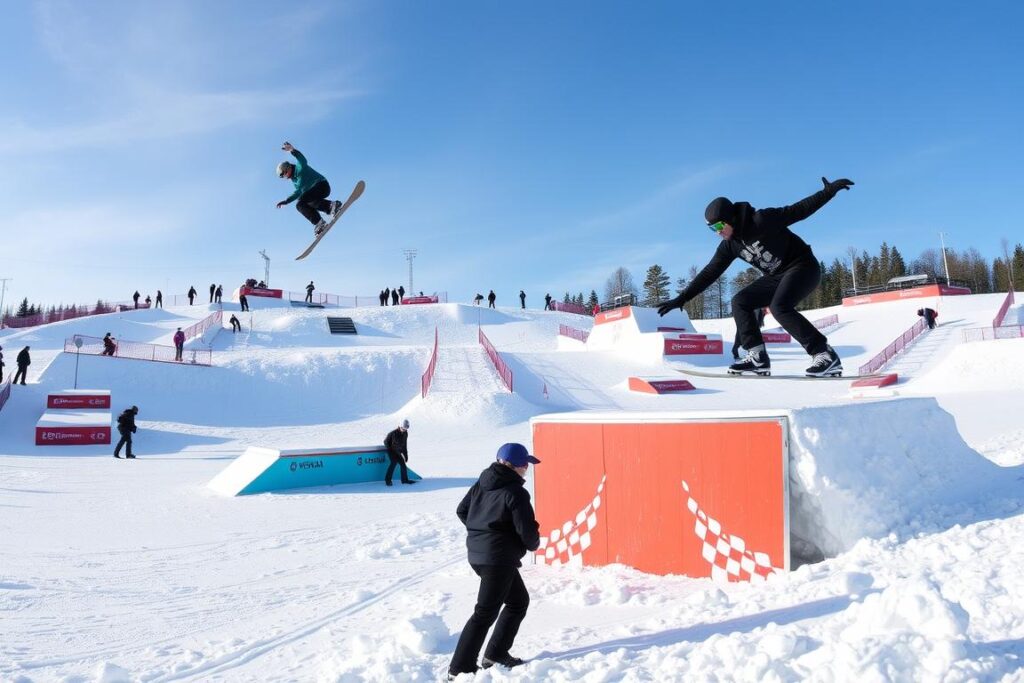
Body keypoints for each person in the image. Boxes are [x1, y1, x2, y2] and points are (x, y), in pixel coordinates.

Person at [658, 177, 854, 377]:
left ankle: (824, 354)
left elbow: (798, 210)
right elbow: (710, 272)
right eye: (712, 229)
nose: (717, 233)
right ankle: (757, 356)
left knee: (779, 307)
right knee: (741, 301)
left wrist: (828, 192)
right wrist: (683, 298)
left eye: (718, 226)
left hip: (803, 267)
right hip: (776, 275)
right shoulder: (730, 246)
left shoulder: (762, 220)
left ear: (730, 219)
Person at [448, 443, 541, 678]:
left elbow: (462, 511)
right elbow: (528, 533)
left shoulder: (482, 482)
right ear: (518, 466)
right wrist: (526, 543)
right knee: (484, 613)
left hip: (481, 555)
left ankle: (496, 654)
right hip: (498, 559)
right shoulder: (515, 492)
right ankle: (459, 669)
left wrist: (482, 533)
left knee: (518, 601)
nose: (527, 469)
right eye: (526, 464)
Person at [275, 141, 343, 236]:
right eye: (283, 177)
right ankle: (320, 222)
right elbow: (298, 192)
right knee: (300, 204)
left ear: (288, 168)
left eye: (284, 174)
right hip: (313, 193)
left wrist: (292, 150)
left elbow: (302, 160)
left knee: (303, 199)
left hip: (322, 186)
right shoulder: (294, 180)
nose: (285, 177)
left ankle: (332, 206)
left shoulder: (300, 168)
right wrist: (287, 201)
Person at [383, 419, 414, 486]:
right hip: (392, 452)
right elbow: (385, 442)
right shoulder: (393, 433)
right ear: (400, 426)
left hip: (398, 452)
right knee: (393, 463)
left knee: (403, 465)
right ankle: (388, 480)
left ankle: (404, 480)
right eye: (403, 428)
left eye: (406, 429)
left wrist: (405, 455)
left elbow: (404, 445)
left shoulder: (405, 433)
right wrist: (390, 450)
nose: (404, 430)